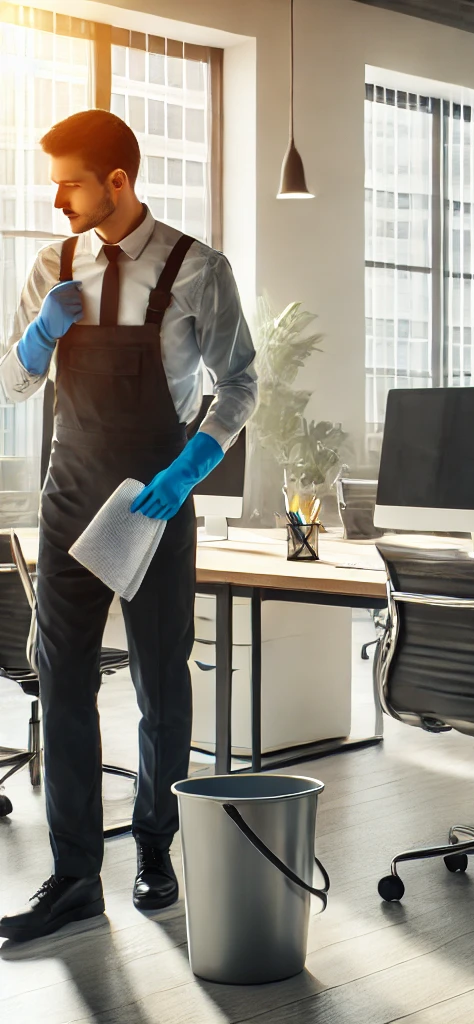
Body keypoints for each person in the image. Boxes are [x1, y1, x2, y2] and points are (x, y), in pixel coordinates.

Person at [0, 111, 258, 942]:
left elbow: (241, 383)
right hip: (70, 497)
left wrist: (192, 467)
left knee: (159, 679)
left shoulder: (195, 269)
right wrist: (40, 337)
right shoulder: (51, 266)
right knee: (63, 679)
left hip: (154, 503)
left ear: (118, 181)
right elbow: (12, 386)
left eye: (70, 180)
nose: (56, 196)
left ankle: (154, 849)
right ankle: (75, 873)